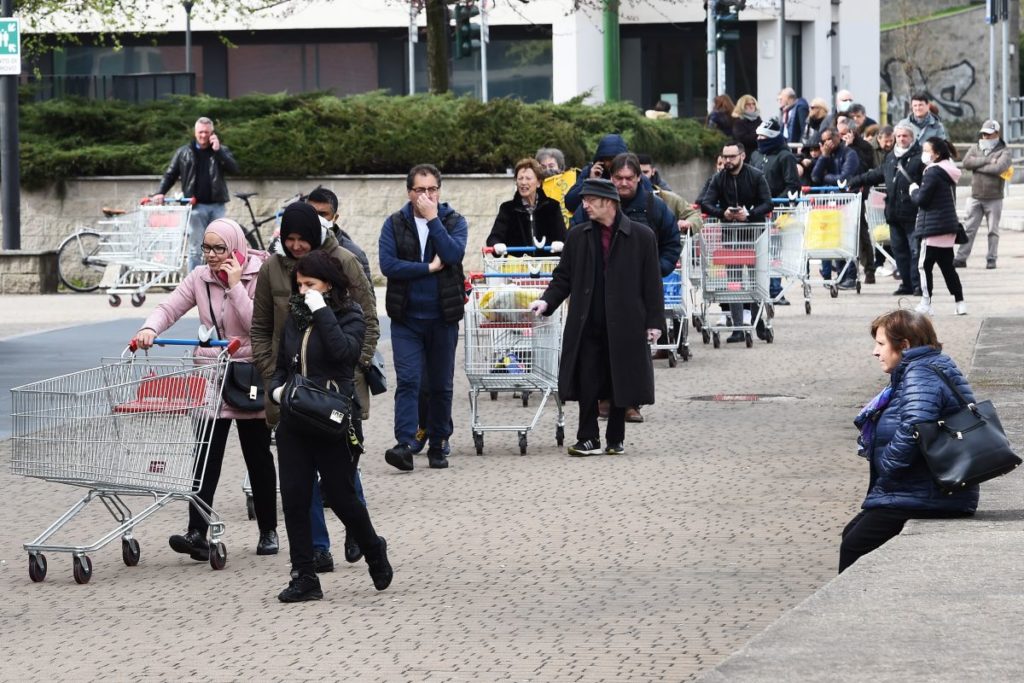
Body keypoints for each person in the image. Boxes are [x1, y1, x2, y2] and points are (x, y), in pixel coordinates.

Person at [132, 218, 278, 560]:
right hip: (213, 374)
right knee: (205, 456)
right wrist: (149, 329)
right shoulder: (199, 277)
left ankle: (268, 530)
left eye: (219, 248)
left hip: (247, 375)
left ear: (236, 248)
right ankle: (196, 531)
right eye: (207, 248)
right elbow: (170, 306)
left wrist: (235, 285)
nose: (211, 256)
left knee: (257, 454)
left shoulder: (260, 274)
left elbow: (258, 324)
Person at [251, 201, 381, 572]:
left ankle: (362, 534)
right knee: (297, 486)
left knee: (341, 483)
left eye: (302, 239)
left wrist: (354, 367)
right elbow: (261, 327)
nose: (295, 246)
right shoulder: (272, 270)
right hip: (292, 392)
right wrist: (272, 376)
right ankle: (313, 556)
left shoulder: (343, 262)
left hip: (335, 390)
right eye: (288, 239)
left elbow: (367, 320)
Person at [269, 250, 392, 601]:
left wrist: (321, 310)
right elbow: (282, 362)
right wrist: (276, 391)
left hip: (331, 418)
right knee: (294, 497)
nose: (303, 290)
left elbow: (344, 355)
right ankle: (304, 576)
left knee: (341, 496)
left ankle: (373, 548)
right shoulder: (295, 316)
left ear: (328, 284)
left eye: (311, 284)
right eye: (300, 285)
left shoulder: (349, 313)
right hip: (295, 416)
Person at [528, 178, 663, 456]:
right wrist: (546, 301)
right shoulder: (578, 235)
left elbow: (652, 284)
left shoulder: (641, 236)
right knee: (587, 378)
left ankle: (616, 438)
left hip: (625, 321)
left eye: (590, 200)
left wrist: (654, 323)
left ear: (609, 203)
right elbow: (563, 277)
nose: (585, 205)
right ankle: (588, 437)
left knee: (619, 379)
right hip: (586, 321)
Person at [839, 309, 977, 573]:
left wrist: (887, 469)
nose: (875, 352)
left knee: (854, 544)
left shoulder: (919, 374)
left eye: (881, 344)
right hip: (923, 488)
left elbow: (915, 427)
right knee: (852, 535)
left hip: (926, 493)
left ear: (904, 345)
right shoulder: (928, 365)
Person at [379, 164, 467, 472]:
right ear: (409, 192)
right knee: (409, 381)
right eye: (420, 190)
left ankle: (439, 441)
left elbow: (453, 255)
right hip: (406, 318)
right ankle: (405, 442)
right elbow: (389, 265)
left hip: (443, 316)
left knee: (441, 384)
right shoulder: (394, 223)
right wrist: (427, 269)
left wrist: (433, 220)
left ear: (439, 192)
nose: (426, 196)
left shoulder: (453, 221)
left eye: (432, 190)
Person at [700, 141, 773, 343]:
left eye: (732, 156)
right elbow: (705, 202)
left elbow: (767, 202)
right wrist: (722, 213)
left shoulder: (756, 176)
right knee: (734, 282)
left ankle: (758, 323)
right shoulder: (718, 178)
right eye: (725, 157)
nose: (727, 161)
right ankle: (739, 328)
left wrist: (748, 214)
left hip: (753, 234)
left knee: (755, 281)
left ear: (742, 156)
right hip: (730, 234)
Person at [846, 121, 926, 297]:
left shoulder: (920, 158)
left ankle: (917, 285)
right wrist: (855, 181)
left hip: (913, 213)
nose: (901, 139)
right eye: (899, 136)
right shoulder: (891, 157)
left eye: (905, 136)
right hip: (894, 213)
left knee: (915, 251)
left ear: (912, 138)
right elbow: (876, 174)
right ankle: (906, 284)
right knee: (899, 252)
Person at [153, 117, 240, 269]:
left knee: (219, 247)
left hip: (217, 207)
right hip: (195, 208)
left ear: (212, 133)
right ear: (195, 132)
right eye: (200, 132)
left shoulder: (220, 151)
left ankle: (218, 282)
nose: (203, 135)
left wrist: (218, 151)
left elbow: (234, 169)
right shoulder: (183, 152)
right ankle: (194, 285)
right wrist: (160, 192)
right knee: (195, 249)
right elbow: (170, 174)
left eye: (206, 132)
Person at [910, 137, 967, 316]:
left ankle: (926, 302)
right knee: (948, 267)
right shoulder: (949, 170)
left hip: (932, 228)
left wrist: (914, 190)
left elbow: (922, 200)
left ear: (936, 153)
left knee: (924, 266)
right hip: (948, 227)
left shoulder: (933, 172)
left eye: (926, 150)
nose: (924, 154)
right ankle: (960, 302)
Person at [749, 117, 800, 305]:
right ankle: (757, 287)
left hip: (776, 212)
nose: (760, 141)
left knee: (773, 252)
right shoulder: (755, 156)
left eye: (764, 137)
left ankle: (775, 289)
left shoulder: (785, 157)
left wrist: (774, 202)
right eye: (758, 137)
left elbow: (793, 185)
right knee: (757, 252)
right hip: (756, 212)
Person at [954, 120, 1012, 270]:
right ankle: (961, 258)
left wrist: (977, 166)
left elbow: (998, 168)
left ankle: (991, 258)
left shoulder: (1004, 151)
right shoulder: (975, 147)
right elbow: (966, 163)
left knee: (993, 231)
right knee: (969, 229)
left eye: (989, 134)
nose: (985, 137)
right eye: (984, 134)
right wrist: (987, 160)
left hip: (994, 198)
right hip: (976, 196)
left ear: (997, 134)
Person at [812, 128, 863, 288]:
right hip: (830, 203)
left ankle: (850, 276)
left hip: (847, 201)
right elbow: (815, 177)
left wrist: (826, 178)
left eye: (827, 139)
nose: (825, 143)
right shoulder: (828, 155)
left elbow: (843, 178)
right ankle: (840, 275)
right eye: (822, 141)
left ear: (836, 138)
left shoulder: (849, 154)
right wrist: (824, 157)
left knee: (847, 239)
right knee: (835, 239)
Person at [487, 158, 567, 256]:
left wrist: (560, 244)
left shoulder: (552, 207)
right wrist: (496, 245)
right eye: (520, 178)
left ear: (538, 182)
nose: (523, 182)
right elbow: (494, 237)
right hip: (518, 267)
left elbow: (564, 237)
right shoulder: (507, 209)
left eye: (528, 178)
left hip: (547, 267)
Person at [564, 133, 629, 213]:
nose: (613, 163)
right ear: (601, 160)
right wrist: (591, 181)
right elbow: (570, 204)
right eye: (608, 159)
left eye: (616, 158)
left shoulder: (632, 174)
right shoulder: (590, 172)